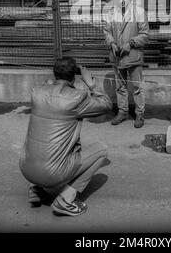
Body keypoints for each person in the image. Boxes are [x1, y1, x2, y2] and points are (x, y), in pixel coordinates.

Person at [19, 57, 112, 217]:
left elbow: (50, 88)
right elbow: (106, 105)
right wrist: (91, 84)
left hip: (26, 168)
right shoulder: (77, 98)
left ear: (54, 73)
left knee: (49, 141)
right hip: (53, 173)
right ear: (74, 76)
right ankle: (66, 201)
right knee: (101, 150)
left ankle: (37, 190)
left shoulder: (37, 92)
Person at [103, 0, 149, 128]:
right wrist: (111, 43)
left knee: (137, 86)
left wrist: (131, 43)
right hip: (117, 56)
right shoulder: (111, 13)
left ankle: (139, 114)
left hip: (133, 56)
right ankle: (122, 112)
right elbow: (107, 30)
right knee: (120, 86)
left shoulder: (139, 12)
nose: (122, 0)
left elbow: (144, 34)